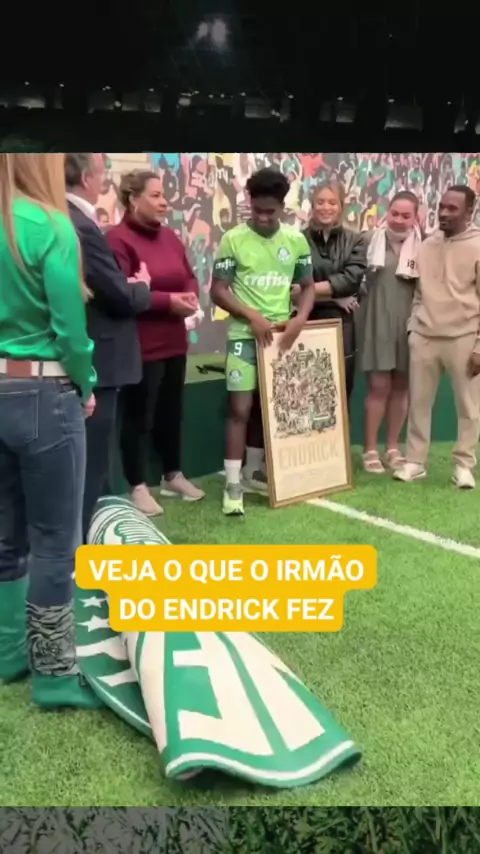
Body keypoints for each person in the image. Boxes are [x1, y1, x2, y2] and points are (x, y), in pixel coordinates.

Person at [0, 153, 101, 709]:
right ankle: (56, 676)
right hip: (45, 391)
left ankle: (9, 653)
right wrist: (85, 384)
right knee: (56, 543)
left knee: (5, 536)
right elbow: (70, 330)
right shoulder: (50, 225)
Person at [210, 167, 315, 517]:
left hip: (280, 339)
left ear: (283, 207)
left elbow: (308, 287)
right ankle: (232, 485)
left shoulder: (296, 241)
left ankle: (257, 472)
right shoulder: (233, 239)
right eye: (257, 211)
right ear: (249, 204)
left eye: (271, 212)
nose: (264, 218)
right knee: (239, 410)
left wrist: (299, 318)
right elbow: (218, 290)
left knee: (271, 409)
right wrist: (250, 316)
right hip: (244, 338)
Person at [65, 153, 153, 540]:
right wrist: (141, 287)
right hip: (96, 360)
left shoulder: (70, 219)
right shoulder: (80, 224)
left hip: (85, 360)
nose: (106, 180)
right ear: (88, 177)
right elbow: (116, 295)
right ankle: (79, 547)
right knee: (90, 463)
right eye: (104, 173)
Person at [106, 170, 204, 516]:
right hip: (140, 346)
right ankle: (137, 485)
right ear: (133, 199)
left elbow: (188, 275)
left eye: (164, 195)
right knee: (138, 418)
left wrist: (189, 296)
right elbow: (121, 291)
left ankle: (172, 475)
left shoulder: (171, 237)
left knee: (170, 413)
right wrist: (167, 302)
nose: (164, 202)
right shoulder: (117, 240)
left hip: (175, 341)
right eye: (156, 195)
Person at [394, 186, 480, 488]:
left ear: (469, 212)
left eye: (452, 208)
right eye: (442, 206)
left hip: (464, 337)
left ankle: (463, 465)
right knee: (418, 403)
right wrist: (413, 328)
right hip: (424, 336)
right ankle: (415, 462)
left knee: (469, 406)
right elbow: (419, 293)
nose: (444, 213)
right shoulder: (427, 244)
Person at [360, 191, 422, 472]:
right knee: (379, 387)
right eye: (394, 213)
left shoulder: (424, 246)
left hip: (410, 325)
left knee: (401, 387)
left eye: (406, 215)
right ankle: (370, 449)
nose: (398, 220)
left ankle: (393, 447)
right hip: (376, 322)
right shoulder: (367, 241)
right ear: (387, 212)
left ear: (415, 217)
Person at [301, 182, 367, 406]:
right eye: (320, 202)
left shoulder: (355, 240)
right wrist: (335, 296)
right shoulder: (297, 240)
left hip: (341, 324)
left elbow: (351, 281)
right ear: (312, 206)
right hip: (305, 320)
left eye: (332, 202)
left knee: (339, 392)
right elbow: (292, 287)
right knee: (307, 391)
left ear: (341, 207)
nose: (325, 208)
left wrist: (311, 290)